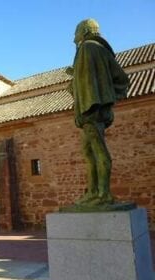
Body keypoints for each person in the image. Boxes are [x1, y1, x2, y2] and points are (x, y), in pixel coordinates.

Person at [69, 19, 129, 206]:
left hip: (91, 109)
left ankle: (104, 194)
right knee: (88, 151)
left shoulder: (87, 48)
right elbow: (120, 79)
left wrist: (101, 99)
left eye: (76, 32)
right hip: (95, 107)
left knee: (98, 150)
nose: (74, 37)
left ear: (85, 31)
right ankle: (93, 192)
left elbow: (117, 79)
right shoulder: (99, 50)